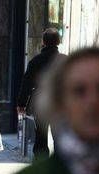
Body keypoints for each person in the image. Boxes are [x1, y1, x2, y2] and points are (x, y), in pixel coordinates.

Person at [17, 28, 65, 160]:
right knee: (59, 135)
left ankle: (40, 165)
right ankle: (59, 166)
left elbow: (26, 83)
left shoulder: (35, 61)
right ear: (58, 42)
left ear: (43, 42)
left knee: (41, 136)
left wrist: (21, 103)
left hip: (41, 103)